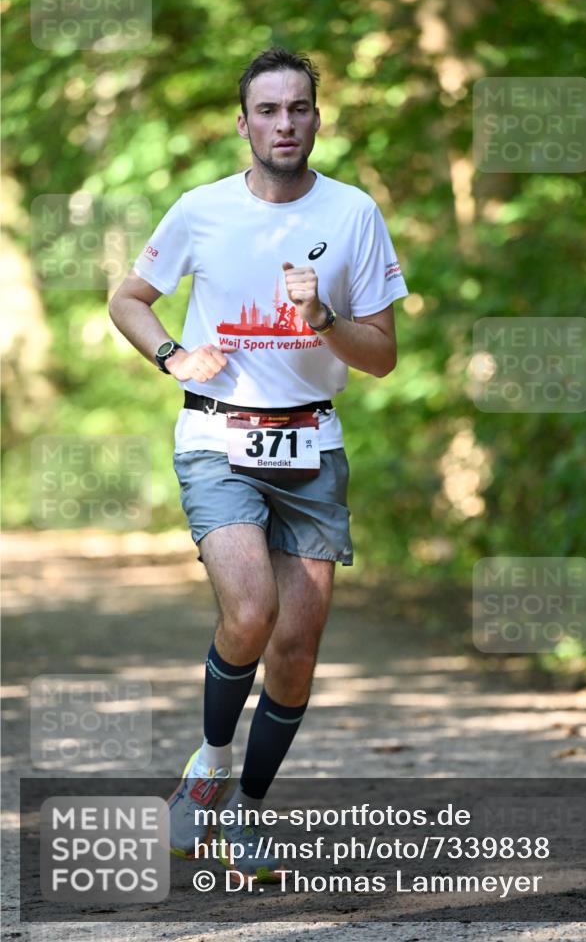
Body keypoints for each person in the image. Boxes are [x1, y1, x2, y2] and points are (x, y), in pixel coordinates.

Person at [108, 47, 408, 883]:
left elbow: (381, 356)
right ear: (242, 124)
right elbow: (126, 298)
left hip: (312, 442)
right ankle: (206, 771)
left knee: (299, 644)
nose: (285, 123)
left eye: (299, 108)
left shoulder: (353, 214)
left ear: (318, 117)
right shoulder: (201, 209)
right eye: (268, 111)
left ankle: (246, 814)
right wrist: (172, 356)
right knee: (251, 609)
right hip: (218, 438)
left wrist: (323, 318)